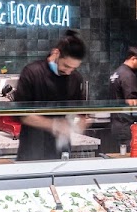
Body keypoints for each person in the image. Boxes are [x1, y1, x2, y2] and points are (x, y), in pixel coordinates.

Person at [12, 30, 88, 161]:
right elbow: (22, 115)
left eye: (73, 68)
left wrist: (79, 122)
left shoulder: (75, 78)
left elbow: (79, 112)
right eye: (66, 66)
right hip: (32, 150)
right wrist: (54, 125)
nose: (69, 72)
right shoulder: (32, 73)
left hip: (61, 151)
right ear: (56, 53)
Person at [108, 45, 137, 151]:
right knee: (133, 156)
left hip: (117, 125)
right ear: (133, 59)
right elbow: (132, 102)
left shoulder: (117, 72)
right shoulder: (128, 76)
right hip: (128, 127)